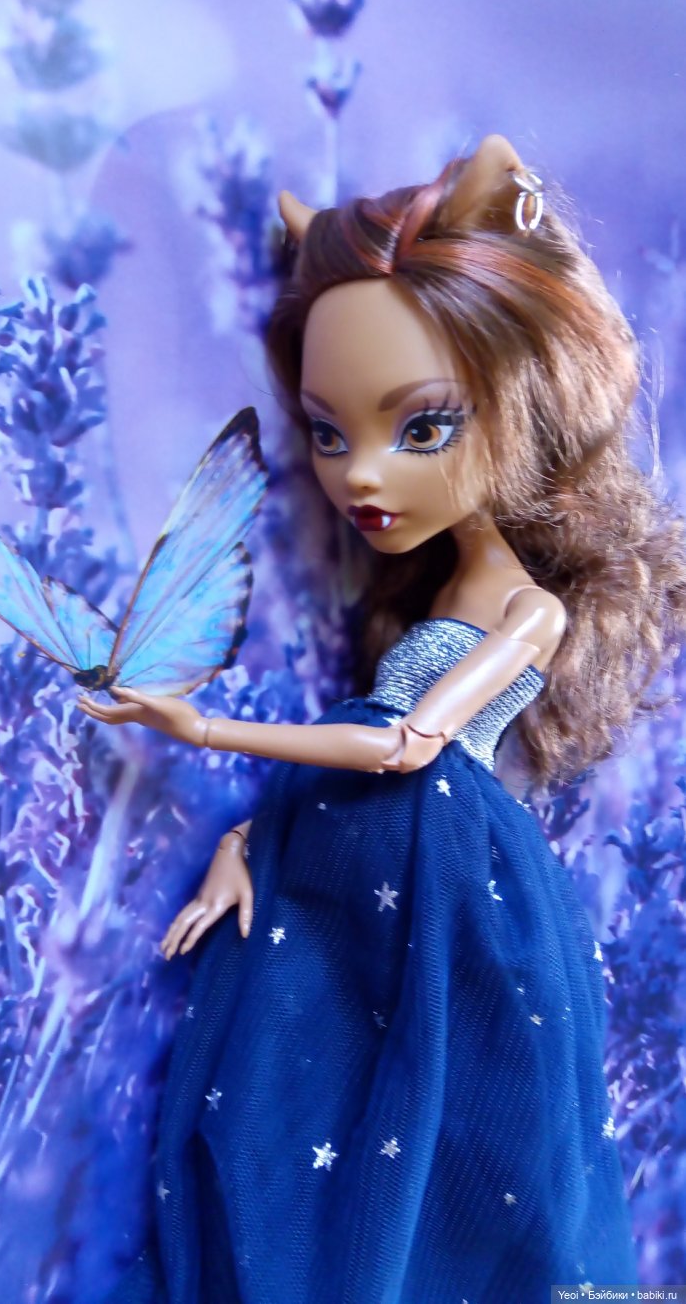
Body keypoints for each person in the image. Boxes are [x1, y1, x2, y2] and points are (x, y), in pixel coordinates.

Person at [81, 135, 686, 1304]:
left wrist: (200, 729)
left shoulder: (525, 609)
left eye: (420, 428)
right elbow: (368, 744)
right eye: (326, 431)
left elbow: (407, 744)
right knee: (284, 1120)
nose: (360, 476)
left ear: (526, 397)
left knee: (437, 1161)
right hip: (343, 872)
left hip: (448, 889)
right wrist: (241, 839)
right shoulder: (422, 597)